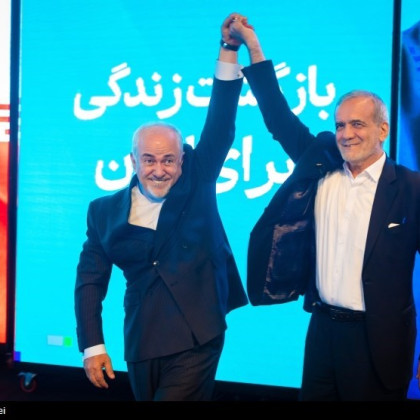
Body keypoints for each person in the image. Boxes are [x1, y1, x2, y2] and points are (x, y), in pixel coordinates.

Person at [229, 16, 420, 401]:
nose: (346, 134)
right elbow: (278, 118)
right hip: (322, 332)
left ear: (383, 130)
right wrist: (252, 45)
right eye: (340, 125)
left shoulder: (411, 188)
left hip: (379, 342)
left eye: (357, 125)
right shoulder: (321, 163)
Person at [74, 13, 248, 401]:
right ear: (133, 161)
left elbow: (221, 122)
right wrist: (92, 345)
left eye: (169, 160)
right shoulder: (103, 212)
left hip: (197, 334)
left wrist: (228, 49)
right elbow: (90, 281)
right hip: (142, 340)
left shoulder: (198, 180)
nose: (159, 169)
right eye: (149, 160)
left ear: (182, 160)